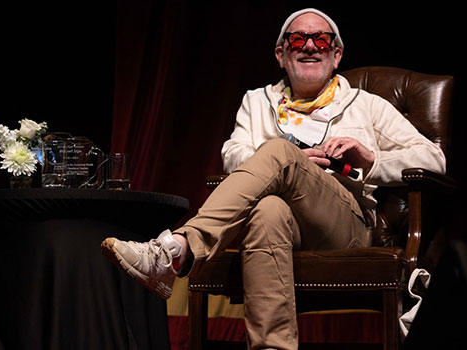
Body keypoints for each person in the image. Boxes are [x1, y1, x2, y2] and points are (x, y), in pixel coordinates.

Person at [101, 8, 446, 350]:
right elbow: (233, 155)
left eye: (321, 39)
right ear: (281, 54)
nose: (310, 46)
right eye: (298, 38)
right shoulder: (256, 102)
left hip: (347, 225)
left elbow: (434, 158)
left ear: (336, 54)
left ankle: (177, 249)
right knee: (267, 209)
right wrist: (289, 163)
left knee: (280, 154)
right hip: (282, 223)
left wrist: (370, 159)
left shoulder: (366, 105)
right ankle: (272, 346)